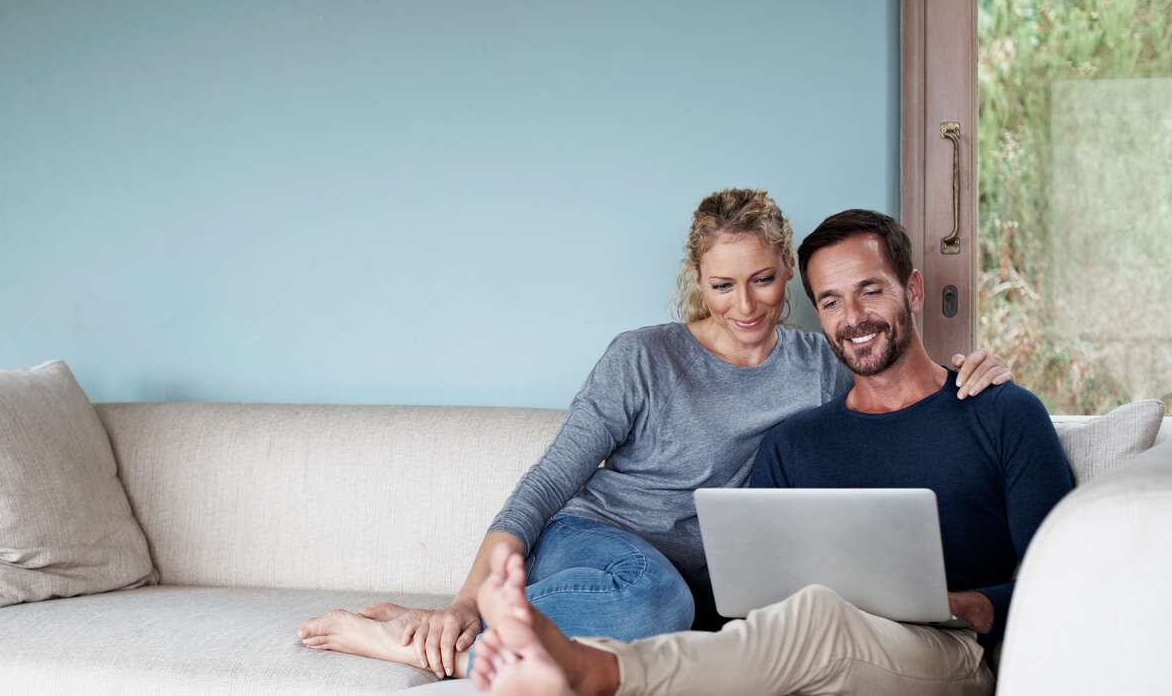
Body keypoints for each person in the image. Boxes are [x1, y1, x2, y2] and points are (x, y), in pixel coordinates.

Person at [297, 191, 1013, 680]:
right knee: (654, 601)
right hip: (597, 541)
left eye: (764, 280)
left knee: (695, 614)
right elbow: (548, 481)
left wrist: (969, 369)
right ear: (698, 281)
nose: (747, 305)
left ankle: (459, 635)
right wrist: (462, 598)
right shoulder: (644, 356)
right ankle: (436, 643)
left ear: (784, 275)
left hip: (708, 578)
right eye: (723, 285)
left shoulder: (815, 366)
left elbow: (888, 394)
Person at [467, 209, 1075, 696]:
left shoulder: (999, 411)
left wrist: (977, 606)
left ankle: (590, 672)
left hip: (949, 648)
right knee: (791, 613)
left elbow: (1068, 571)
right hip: (772, 619)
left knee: (814, 620)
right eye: (832, 302)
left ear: (912, 291)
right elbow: (753, 588)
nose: (854, 317)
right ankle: (527, 649)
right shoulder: (797, 437)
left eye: (871, 291)